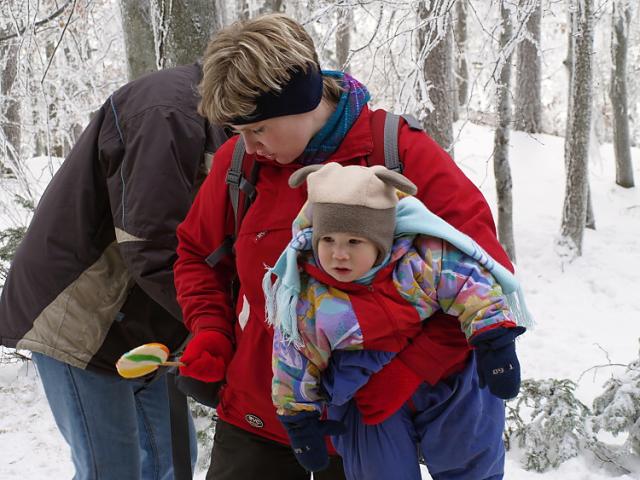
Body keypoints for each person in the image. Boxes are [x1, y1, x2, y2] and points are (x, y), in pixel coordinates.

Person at [174, 13, 521, 480]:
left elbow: (482, 276)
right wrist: (210, 331)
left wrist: (412, 371)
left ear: (302, 100)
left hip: (364, 426)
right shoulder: (242, 166)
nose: (249, 145)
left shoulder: (399, 154)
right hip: (260, 414)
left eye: (259, 129)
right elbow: (195, 253)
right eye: (239, 133)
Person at [0, 63, 228, 480]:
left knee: (171, 465)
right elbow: (152, 241)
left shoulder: (232, 123)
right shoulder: (167, 109)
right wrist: (217, 322)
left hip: (148, 326)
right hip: (82, 318)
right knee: (112, 471)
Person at [266, 162, 528, 479]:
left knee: (470, 452)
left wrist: (494, 342)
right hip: (365, 391)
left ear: (380, 241)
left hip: (447, 379)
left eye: (353, 242)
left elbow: (472, 285)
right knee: (378, 467)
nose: (338, 254)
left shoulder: (422, 260)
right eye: (328, 240)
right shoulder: (311, 299)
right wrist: (299, 420)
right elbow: (293, 357)